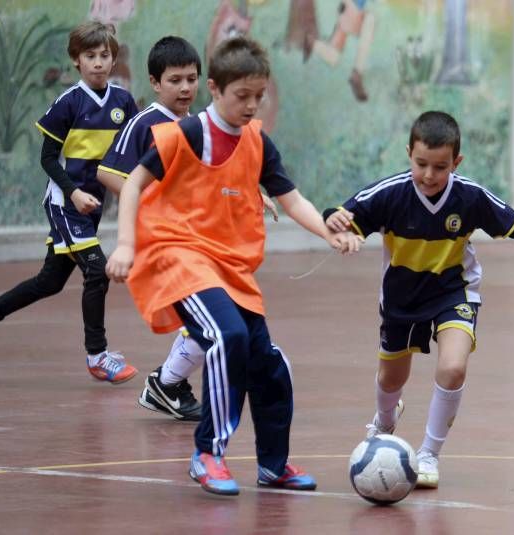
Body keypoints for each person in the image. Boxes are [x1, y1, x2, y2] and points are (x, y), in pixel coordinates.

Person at [106, 36, 360, 495]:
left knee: (270, 363)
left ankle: (273, 464)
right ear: (215, 89)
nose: (251, 104)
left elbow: (293, 198)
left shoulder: (258, 142)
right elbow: (131, 184)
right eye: (242, 95)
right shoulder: (187, 134)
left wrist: (330, 232)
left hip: (229, 268)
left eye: (258, 96)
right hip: (177, 254)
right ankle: (208, 454)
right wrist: (125, 245)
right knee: (226, 337)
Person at [324, 110, 514, 489]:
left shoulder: (469, 197)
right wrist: (337, 226)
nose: (428, 175)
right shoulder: (389, 194)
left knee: (453, 367)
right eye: (420, 164)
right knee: (392, 378)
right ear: (409, 153)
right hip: (401, 298)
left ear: (456, 163)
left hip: (453, 291)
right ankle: (385, 420)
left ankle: (428, 454)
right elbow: (340, 214)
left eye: (440, 167)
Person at [97, 36, 277, 421]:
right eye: (175, 80)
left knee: (222, 317)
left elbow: (215, 180)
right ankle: (170, 384)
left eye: (191, 79)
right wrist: (155, 204)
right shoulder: (146, 123)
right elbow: (110, 174)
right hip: (169, 242)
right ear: (155, 83)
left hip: (203, 241)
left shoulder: (201, 126)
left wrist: (254, 194)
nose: (185, 87)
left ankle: (168, 382)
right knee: (219, 316)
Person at [0, 21, 139, 384]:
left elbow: (131, 151)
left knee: (50, 281)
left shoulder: (123, 102)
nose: (99, 63)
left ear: (114, 59)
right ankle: (97, 356)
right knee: (97, 271)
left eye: (105, 56)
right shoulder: (68, 103)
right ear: (76, 60)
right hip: (65, 203)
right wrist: (72, 192)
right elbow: (48, 159)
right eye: (90, 56)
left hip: (92, 206)